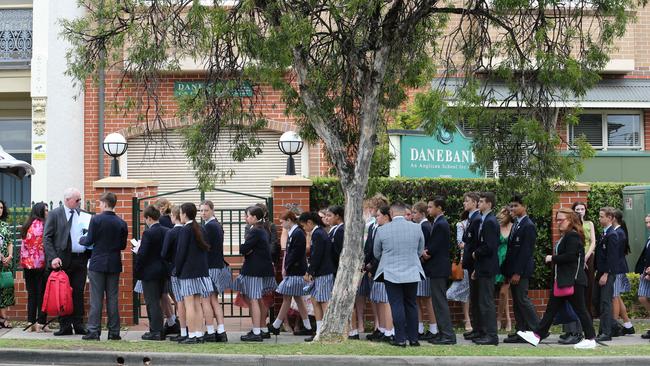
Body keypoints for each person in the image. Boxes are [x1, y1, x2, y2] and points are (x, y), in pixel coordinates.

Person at [517, 208, 597, 349]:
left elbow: (571, 256)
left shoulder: (572, 236)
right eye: (557, 220)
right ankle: (537, 336)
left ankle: (590, 339)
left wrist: (551, 258)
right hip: (563, 280)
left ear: (570, 220)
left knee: (581, 310)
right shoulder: (567, 235)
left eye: (561, 220)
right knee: (551, 310)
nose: (558, 222)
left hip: (573, 280)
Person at [373, 202, 425, 347]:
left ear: (391, 212)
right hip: (412, 270)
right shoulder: (416, 227)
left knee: (396, 304)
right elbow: (420, 250)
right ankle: (414, 339)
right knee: (411, 304)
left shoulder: (382, 230)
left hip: (391, 271)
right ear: (404, 212)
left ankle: (400, 339)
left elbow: (377, 253)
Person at [79, 192, 128, 341]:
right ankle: (114, 332)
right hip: (113, 263)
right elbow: (122, 245)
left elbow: (89, 240)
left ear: (105, 203)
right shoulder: (121, 223)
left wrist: (81, 239)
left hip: (97, 262)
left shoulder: (96, 220)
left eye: (100, 203)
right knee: (112, 298)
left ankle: (94, 330)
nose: (99, 206)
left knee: (96, 298)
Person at [43, 188, 89, 336]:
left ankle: (78, 324)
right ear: (67, 200)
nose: (79, 202)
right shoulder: (55, 214)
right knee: (62, 293)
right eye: (77, 200)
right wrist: (53, 257)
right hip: (62, 259)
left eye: (80, 199)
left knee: (78, 292)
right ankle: (65, 325)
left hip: (80, 259)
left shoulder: (82, 213)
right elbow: (47, 237)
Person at [235, 205, 277, 342]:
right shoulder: (262, 229)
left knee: (253, 299)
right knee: (258, 299)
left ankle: (257, 331)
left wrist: (246, 248)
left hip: (254, 270)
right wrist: (248, 249)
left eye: (247, 215)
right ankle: (261, 329)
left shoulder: (255, 231)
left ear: (254, 217)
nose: (245, 218)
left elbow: (243, 249)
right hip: (261, 269)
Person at [503, 195, 540, 343]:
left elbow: (526, 252)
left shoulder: (528, 225)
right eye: (511, 206)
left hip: (522, 271)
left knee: (522, 299)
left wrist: (518, 272)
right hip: (513, 270)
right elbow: (511, 250)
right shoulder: (517, 223)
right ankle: (521, 331)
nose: (512, 208)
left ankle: (539, 329)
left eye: (516, 206)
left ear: (524, 207)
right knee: (517, 302)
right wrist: (508, 271)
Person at [268, 211, 311, 337]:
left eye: (282, 222)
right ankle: (307, 326)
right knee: (297, 298)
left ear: (289, 220)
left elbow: (295, 254)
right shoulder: (295, 232)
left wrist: (287, 266)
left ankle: (276, 325)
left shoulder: (297, 233)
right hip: (295, 270)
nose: (281, 224)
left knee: (287, 297)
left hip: (295, 271)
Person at [175, 202, 213, 344]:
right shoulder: (200, 227)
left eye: (180, 212)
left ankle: (191, 335)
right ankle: (198, 333)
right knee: (197, 304)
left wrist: (177, 271)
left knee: (189, 305)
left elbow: (181, 253)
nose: (180, 215)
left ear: (184, 214)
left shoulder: (185, 230)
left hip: (189, 273)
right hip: (201, 272)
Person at [298, 211, 335, 342]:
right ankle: (319, 331)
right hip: (320, 273)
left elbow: (317, 255)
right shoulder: (318, 232)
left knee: (324, 301)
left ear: (309, 222)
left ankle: (328, 331)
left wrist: (310, 271)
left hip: (323, 272)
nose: (304, 229)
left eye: (303, 225)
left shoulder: (318, 234)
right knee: (314, 300)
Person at [135, 205, 170, 341]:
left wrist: (137, 269)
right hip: (162, 270)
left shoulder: (148, 233)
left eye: (146, 219)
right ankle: (158, 329)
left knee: (152, 301)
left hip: (149, 271)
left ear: (149, 218)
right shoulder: (166, 230)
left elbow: (143, 254)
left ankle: (156, 331)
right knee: (159, 299)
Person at [424, 197, 456, 345]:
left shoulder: (441, 224)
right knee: (437, 302)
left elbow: (434, 247)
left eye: (431, 207)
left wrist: (425, 253)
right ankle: (443, 333)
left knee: (440, 301)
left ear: (439, 208)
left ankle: (448, 335)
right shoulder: (438, 223)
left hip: (438, 268)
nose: (428, 209)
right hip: (437, 268)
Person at [470, 192, 499, 345]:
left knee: (486, 302)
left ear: (489, 204)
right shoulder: (484, 220)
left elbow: (490, 245)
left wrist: (476, 253)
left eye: (481, 201)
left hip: (487, 267)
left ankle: (491, 335)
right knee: (482, 301)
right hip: (483, 267)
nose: (479, 204)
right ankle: (484, 332)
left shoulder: (490, 221)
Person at [592, 207, 625, 342]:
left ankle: (606, 332)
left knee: (605, 302)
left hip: (607, 273)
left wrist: (606, 274)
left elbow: (612, 258)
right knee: (596, 300)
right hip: (600, 271)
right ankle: (609, 327)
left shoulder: (612, 235)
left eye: (602, 216)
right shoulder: (604, 233)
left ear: (610, 218)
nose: (599, 219)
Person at [199, 200, 229, 342]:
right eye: (201, 210)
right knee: (213, 300)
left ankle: (210, 331)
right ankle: (221, 331)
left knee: (206, 300)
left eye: (206, 210)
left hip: (210, 267)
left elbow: (204, 248)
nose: (203, 213)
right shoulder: (216, 225)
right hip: (216, 266)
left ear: (212, 210)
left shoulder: (209, 227)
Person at [367, 205, 394, 342]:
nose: (376, 218)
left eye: (378, 215)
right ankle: (382, 329)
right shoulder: (376, 228)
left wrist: (373, 265)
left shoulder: (388, 230)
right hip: (376, 269)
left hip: (385, 269)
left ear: (386, 216)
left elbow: (380, 253)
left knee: (385, 302)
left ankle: (389, 331)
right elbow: (371, 249)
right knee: (378, 300)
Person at [20, 202, 49, 332]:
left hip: (27, 265)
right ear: (41, 212)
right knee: (42, 294)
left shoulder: (27, 225)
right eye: (46, 210)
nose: (48, 213)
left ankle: (31, 321)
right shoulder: (43, 225)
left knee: (32, 294)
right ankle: (41, 323)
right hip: (40, 264)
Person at [161, 206, 188, 342]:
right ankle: (188, 326)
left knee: (178, 299)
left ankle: (183, 328)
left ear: (174, 216)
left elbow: (164, 253)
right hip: (186, 269)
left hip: (173, 269)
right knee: (185, 299)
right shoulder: (187, 231)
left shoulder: (171, 233)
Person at [412, 201, 437, 340]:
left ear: (422, 214)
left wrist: (422, 255)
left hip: (424, 269)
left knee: (426, 299)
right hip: (421, 268)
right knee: (418, 299)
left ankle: (433, 329)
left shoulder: (425, 226)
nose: (413, 215)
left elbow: (425, 247)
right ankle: (420, 328)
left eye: (415, 212)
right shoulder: (422, 226)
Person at [461, 192, 482, 341]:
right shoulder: (471, 218)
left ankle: (479, 329)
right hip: (470, 264)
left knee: (477, 298)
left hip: (474, 263)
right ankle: (476, 328)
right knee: (473, 298)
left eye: (467, 201)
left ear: (475, 203)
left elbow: (472, 241)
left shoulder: (476, 219)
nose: (464, 203)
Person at [154, 197, 177, 335]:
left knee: (165, 294)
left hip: (165, 263)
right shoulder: (172, 221)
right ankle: (173, 321)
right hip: (173, 262)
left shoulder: (162, 221)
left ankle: (173, 321)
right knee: (172, 295)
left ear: (160, 208)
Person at [447, 209, 471, 332]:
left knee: (470, 292)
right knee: (457, 291)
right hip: (464, 261)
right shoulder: (461, 224)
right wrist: (474, 246)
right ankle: (467, 320)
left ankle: (469, 320)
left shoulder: (481, 222)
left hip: (477, 261)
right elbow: (460, 243)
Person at [611, 209, 634, 336]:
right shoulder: (619, 231)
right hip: (619, 267)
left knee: (614, 296)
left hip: (617, 268)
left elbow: (614, 254)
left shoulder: (618, 233)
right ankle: (628, 325)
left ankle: (613, 325)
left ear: (613, 218)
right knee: (617, 296)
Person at [573, 201, 596, 316]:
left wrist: (586, 258)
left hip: (588, 256)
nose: (580, 212)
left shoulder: (589, 223)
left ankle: (588, 313)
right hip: (576, 257)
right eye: (577, 209)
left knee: (589, 284)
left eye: (582, 209)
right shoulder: (571, 224)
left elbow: (593, 242)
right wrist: (580, 259)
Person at [495, 207, 513, 333]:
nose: (501, 215)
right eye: (500, 213)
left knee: (503, 292)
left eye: (504, 213)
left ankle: (501, 318)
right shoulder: (497, 227)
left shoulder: (514, 226)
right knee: (503, 293)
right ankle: (505, 319)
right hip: (498, 261)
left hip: (510, 262)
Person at [635, 214, 650, 340]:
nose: (648, 225)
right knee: (642, 297)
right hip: (646, 272)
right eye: (646, 222)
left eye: (649, 222)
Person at [325, 205, 344, 273]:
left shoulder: (340, 230)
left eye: (329, 215)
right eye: (326, 216)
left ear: (337, 216)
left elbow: (338, 252)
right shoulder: (336, 229)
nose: (326, 218)